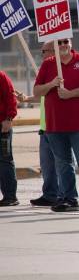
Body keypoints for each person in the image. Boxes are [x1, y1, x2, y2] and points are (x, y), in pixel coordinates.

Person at [34, 38, 79, 213]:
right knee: (63, 164)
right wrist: (51, 84)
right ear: (54, 46)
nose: (63, 45)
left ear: (71, 43)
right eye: (59, 42)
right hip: (55, 125)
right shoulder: (48, 64)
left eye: (66, 42)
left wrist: (71, 94)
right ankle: (70, 200)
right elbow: (36, 91)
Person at [15, 42, 61, 207]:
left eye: (44, 51)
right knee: (47, 164)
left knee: (61, 163)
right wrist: (26, 98)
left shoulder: (61, 71)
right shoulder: (46, 70)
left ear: (53, 51)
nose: (41, 54)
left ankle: (63, 195)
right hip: (45, 126)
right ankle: (49, 194)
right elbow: (42, 94)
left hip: (59, 126)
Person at [0, 69, 18, 206]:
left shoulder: (1, 76)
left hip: (3, 127)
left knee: (5, 159)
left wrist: (9, 118)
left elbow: (10, 97)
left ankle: (10, 196)